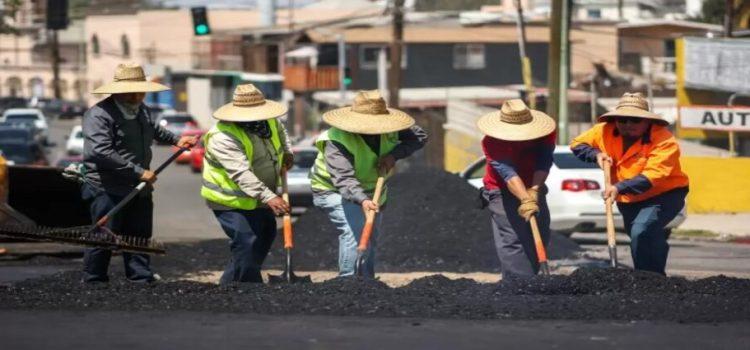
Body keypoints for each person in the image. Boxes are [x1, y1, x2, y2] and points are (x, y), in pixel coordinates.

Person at [82, 63, 197, 283]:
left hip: (140, 185)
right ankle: (94, 279)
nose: (136, 96)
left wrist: (176, 139)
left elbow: (153, 129)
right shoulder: (98, 115)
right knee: (104, 235)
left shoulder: (142, 110)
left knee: (139, 233)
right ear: (118, 91)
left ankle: (140, 277)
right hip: (108, 186)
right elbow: (99, 151)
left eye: (140, 91)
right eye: (131, 92)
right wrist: (137, 171)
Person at [310, 90, 427, 278]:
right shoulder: (336, 139)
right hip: (332, 189)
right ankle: (348, 281)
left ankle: (367, 283)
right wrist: (362, 200)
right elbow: (344, 179)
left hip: (373, 189)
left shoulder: (392, 126)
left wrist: (393, 155)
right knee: (353, 231)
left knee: (370, 234)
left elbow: (419, 137)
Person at [570, 92, 689, 275]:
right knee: (637, 235)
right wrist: (596, 155)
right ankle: (644, 275)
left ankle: (651, 278)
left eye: (634, 120)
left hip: (664, 194)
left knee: (642, 230)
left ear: (647, 122)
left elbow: (653, 176)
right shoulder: (604, 130)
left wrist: (618, 187)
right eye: (623, 120)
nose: (628, 125)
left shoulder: (664, 140)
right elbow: (578, 144)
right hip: (628, 198)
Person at [201, 84, 293, 284]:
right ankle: (248, 286)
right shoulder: (223, 136)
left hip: (260, 196)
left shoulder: (268, 122)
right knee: (245, 240)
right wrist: (270, 197)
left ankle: (232, 283)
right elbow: (241, 173)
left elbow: (282, 132)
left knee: (266, 233)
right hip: (230, 199)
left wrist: (287, 151)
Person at [477, 99, 557, 277]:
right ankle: (518, 285)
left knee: (539, 233)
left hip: (534, 184)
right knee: (513, 238)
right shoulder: (492, 142)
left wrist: (534, 191)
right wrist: (526, 199)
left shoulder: (545, 134)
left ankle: (534, 280)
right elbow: (509, 175)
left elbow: (544, 163)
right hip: (501, 190)